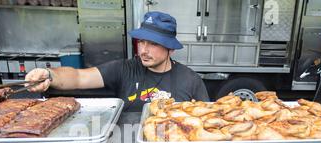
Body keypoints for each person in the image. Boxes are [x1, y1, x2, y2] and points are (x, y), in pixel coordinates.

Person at [25, 11, 209, 111]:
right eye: (141, 42)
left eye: (153, 44)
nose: (143, 50)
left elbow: (205, 118)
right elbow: (79, 77)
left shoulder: (190, 80)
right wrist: (49, 75)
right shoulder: (124, 69)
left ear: (171, 48)